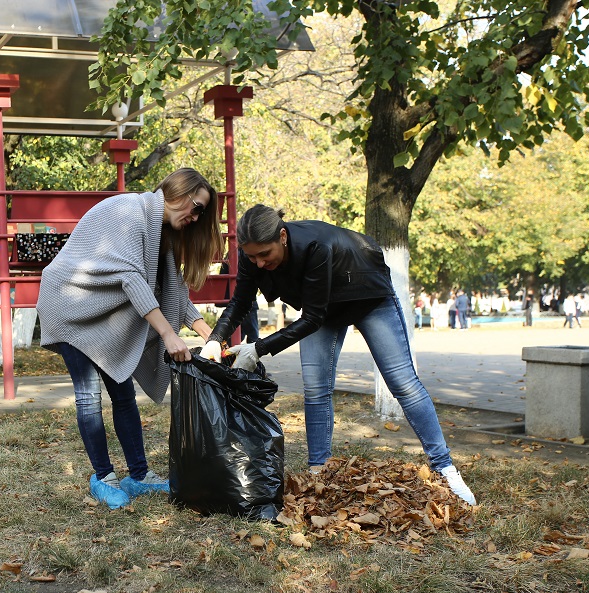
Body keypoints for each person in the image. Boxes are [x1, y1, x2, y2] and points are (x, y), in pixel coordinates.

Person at [200, 205, 477, 505]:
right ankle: (319, 472)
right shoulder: (252, 257)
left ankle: (445, 468)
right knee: (316, 389)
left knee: (403, 383)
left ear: (282, 236)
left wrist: (259, 348)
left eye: (265, 254)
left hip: (367, 296)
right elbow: (240, 301)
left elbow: (312, 319)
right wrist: (216, 339)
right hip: (323, 307)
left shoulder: (315, 246)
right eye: (251, 256)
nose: (259, 262)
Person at [37, 167, 224, 510]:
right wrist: (168, 335)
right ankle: (103, 478)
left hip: (102, 310)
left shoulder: (162, 234)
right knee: (89, 396)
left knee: (122, 391)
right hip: (69, 304)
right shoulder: (131, 214)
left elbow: (172, 293)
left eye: (201, 212)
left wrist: (212, 336)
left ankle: (137, 476)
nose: (197, 217)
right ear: (179, 194)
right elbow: (130, 277)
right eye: (196, 207)